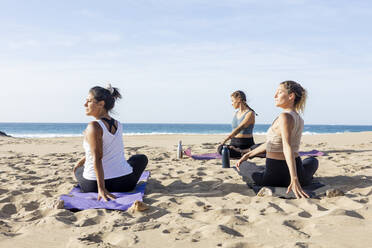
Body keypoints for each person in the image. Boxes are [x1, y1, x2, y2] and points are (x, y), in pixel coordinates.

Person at [236, 81, 318, 199]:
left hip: (274, 175)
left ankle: (293, 178)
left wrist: (294, 179)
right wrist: (249, 154)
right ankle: (299, 177)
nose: (275, 96)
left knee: (243, 165)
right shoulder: (298, 118)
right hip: (299, 171)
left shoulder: (285, 117)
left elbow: (286, 146)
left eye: (279, 93)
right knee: (312, 161)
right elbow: (273, 142)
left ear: (291, 96)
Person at [73, 84, 148, 201]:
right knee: (141, 158)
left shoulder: (93, 126)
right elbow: (104, 150)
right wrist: (83, 159)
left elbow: (97, 158)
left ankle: (102, 185)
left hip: (93, 186)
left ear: (101, 104)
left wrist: (101, 189)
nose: (85, 104)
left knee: (78, 170)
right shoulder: (118, 124)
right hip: (125, 183)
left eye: (89, 101)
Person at [217, 90, 257, 159]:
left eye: (232, 101)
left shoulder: (250, 114)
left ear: (238, 99)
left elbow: (239, 128)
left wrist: (225, 139)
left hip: (245, 144)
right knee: (220, 148)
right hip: (233, 143)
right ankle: (238, 152)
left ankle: (243, 152)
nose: (231, 103)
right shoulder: (236, 113)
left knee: (224, 150)